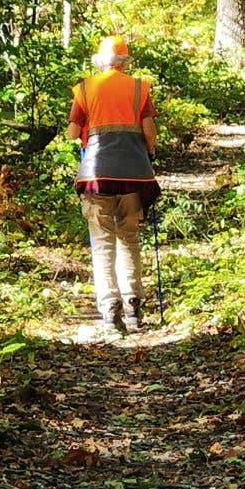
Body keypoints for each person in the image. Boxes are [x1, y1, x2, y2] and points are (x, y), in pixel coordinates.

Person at [67, 34, 160, 332]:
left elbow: (72, 132)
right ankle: (133, 304)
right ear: (125, 61)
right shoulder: (139, 88)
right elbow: (150, 132)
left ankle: (110, 308)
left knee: (103, 244)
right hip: (134, 174)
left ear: (100, 60)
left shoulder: (85, 88)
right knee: (129, 239)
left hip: (96, 175)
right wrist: (149, 152)